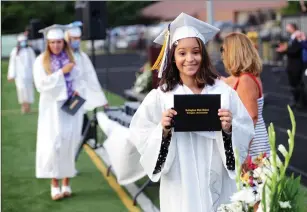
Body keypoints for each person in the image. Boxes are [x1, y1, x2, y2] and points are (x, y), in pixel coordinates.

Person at [129, 13, 255, 212]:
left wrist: (230, 128)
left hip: (217, 179)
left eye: (196, 52)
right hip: (180, 182)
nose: (190, 59)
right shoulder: (161, 96)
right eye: (182, 53)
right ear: (173, 57)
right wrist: (163, 130)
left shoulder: (223, 92)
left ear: (203, 55)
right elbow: (139, 133)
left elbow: (246, 128)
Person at [33, 25, 85, 200]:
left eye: (59, 42)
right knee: (54, 144)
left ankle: (66, 183)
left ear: (64, 42)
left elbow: (79, 80)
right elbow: (41, 85)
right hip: (51, 109)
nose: (56, 45)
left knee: (69, 143)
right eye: (53, 42)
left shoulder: (71, 59)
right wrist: (61, 74)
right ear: (48, 43)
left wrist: (77, 90)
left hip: (70, 107)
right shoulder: (41, 61)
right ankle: (54, 184)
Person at [221, 32, 271, 158]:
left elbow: (251, 118)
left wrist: (243, 150)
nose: (222, 55)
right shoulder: (244, 77)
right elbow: (227, 81)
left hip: (252, 145)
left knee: (253, 177)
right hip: (252, 141)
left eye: (224, 50)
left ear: (234, 53)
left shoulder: (245, 80)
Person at [64, 22, 108, 160]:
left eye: (78, 39)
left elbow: (91, 78)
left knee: (80, 131)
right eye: (73, 39)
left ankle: (70, 161)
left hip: (79, 99)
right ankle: (67, 162)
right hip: (67, 98)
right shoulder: (63, 56)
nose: (76, 41)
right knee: (69, 131)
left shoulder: (82, 56)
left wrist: (102, 99)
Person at [276, 23, 306, 109]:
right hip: (292, 64)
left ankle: (301, 102)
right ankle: (297, 100)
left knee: (298, 83)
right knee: (293, 83)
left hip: (296, 65)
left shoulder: (297, 37)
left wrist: (284, 50)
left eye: (288, 26)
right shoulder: (292, 38)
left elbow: (295, 50)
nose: (286, 28)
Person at [7, 34, 36, 114]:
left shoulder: (30, 50)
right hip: (19, 76)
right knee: (21, 90)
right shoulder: (15, 51)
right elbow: (12, 64)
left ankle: (28, 107)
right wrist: (11, 75)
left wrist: (35, 75)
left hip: (29, 75)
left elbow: (34, 62)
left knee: (29, 90)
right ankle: (23, 106)